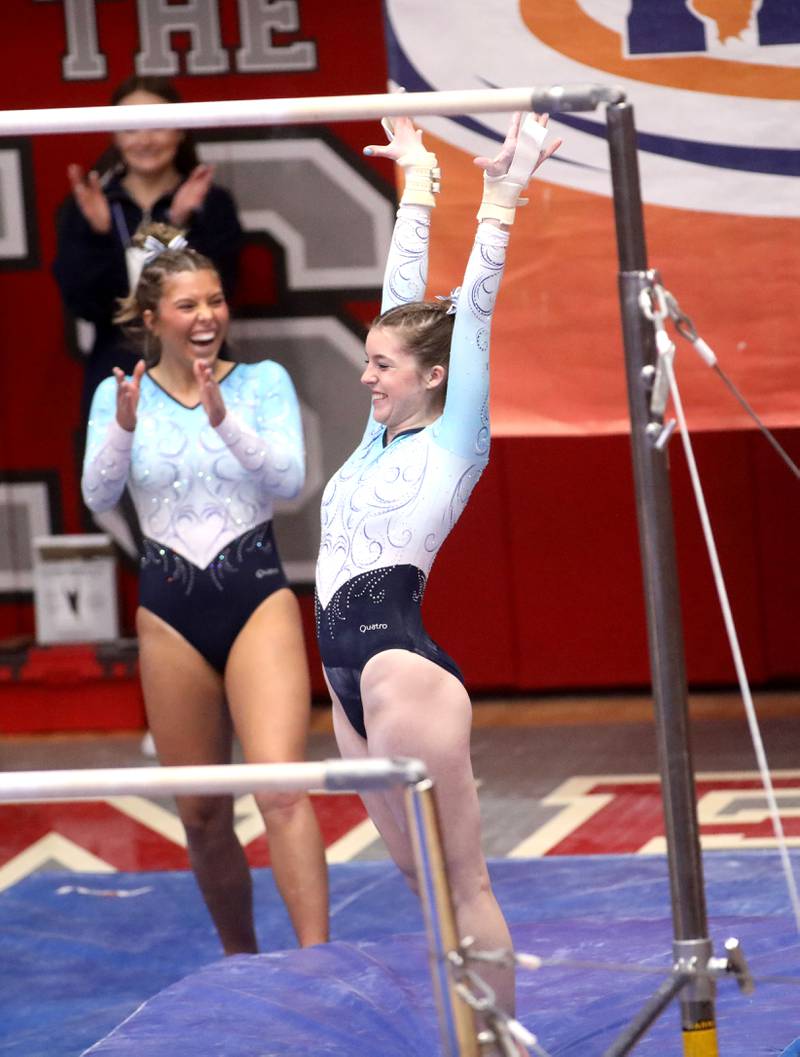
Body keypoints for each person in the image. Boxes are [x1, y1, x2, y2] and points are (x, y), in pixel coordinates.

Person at [314, 112, 561, 1024]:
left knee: (462, 880)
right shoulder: (381, 431)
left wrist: (500, 195)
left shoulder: (457, 433)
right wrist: (417, 177)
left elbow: (474, 311)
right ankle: (473, 1033)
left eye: (382, 365)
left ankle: (497, 1040)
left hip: (396, 666)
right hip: (345, 677)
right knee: (427, 893)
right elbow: (402, 298)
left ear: (428, 374)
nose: (367, 376)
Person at [81, 224, 329, 955]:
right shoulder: (118, 393)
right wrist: (123, 430)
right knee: (200, 813)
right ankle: (241, 960)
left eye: (216, 302)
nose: (207, 317)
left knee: (281, 789)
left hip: (255, 598)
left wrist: (224, 420)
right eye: (188, 305)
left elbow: (290, 482)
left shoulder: (262, 383)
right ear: (152, 318)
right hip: (170, 612)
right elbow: (99, 495)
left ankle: (318, 961)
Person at [53, 75, 243, 424]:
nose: (144, 140)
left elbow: (224, 291)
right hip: (117, 371)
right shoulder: (89, 207)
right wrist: (100, 236)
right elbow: (84, 302)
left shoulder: (211, 204)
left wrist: (181, 223)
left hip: (201, 370)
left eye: (156, 125)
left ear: (180, 129)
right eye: (130, 127)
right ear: (113, 134)